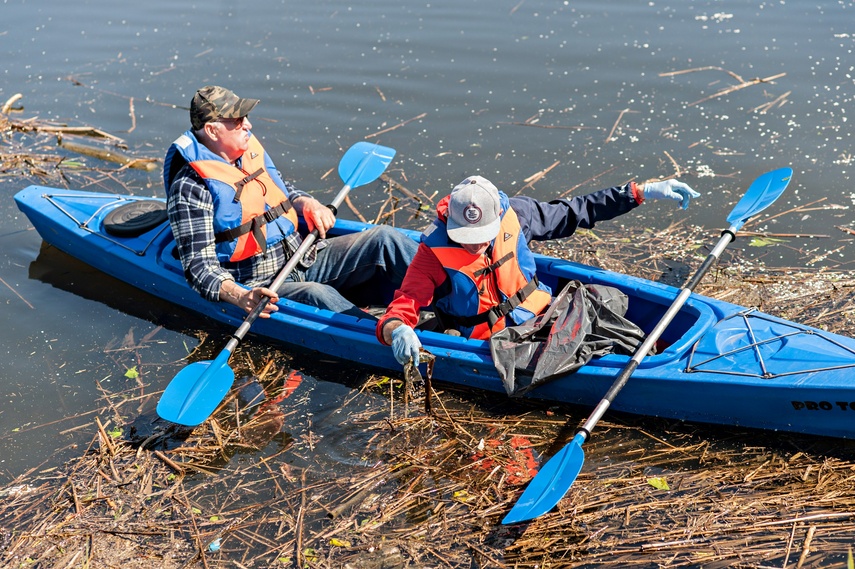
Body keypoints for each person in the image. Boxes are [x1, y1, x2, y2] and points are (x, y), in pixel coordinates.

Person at [376, 174, 700, 365]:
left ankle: (653, 354)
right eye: (466, 238)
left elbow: (577, 211)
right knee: (587, 350)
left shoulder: (517, 212)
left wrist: (639, 193)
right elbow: (399, 311)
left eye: (481, 237)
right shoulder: (432, 254)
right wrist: (398, 332)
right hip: (499, 344)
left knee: (610, 300)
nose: (474, 246)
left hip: (543, 313)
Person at [163, 85, 417, 319]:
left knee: (384, 238)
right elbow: (199, 267)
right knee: (316, 293)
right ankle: (387, 334)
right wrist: (240, 296)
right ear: (212, 130)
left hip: (305, 255)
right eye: (238, 121)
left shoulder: (245, 151)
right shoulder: (190, 187)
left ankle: (451, 297)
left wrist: (307, 203)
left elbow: (282, 192)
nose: (248, 125)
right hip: (264, 285)